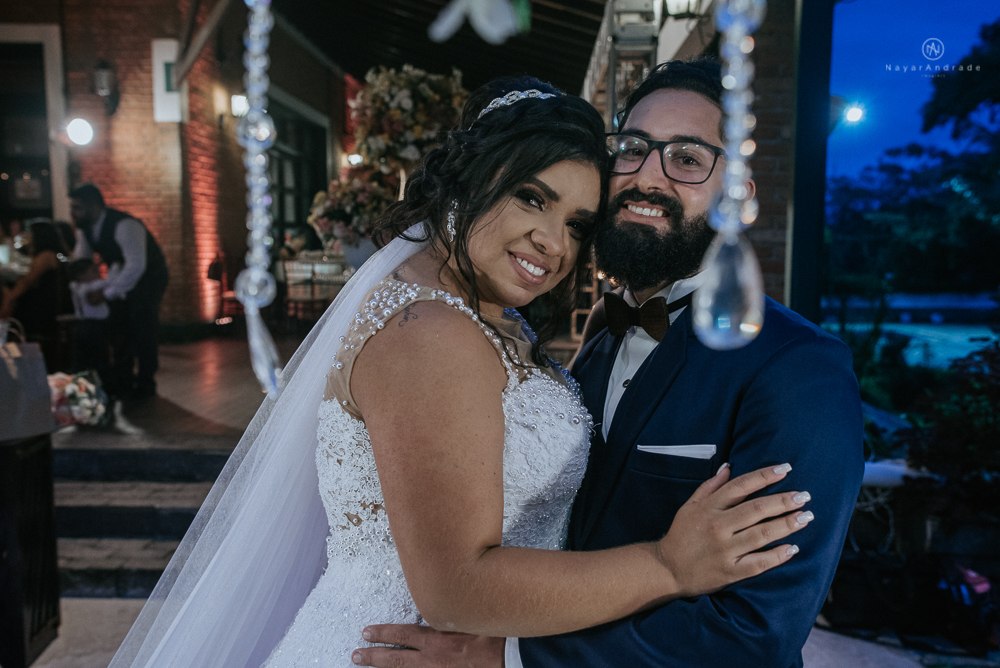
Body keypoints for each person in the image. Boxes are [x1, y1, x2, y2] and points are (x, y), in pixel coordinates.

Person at [108, 76, 812, 668]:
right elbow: (454, 587)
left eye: (577, 224)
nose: (552, 242)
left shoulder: (479, 314)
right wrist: (667, 565)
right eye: (532, 197)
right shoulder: (429, 331)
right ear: (471, 181)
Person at [353, 59, 864, 668]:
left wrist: (512, 656)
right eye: (634, 149)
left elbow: (755, 631)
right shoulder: (602, 336)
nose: (648, 176)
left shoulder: (799, 368)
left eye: (687, 158)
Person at [69, 183, 169, 399]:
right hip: (121, 276)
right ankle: (123, 380)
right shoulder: (86, 228)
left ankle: (146, 383)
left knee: (142, 323)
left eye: (78, 208)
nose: (73, 213)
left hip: (149, 277)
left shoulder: (125, 225)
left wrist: (106, 293)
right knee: (120, 324)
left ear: (94, 206)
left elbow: (136, 265)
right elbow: (83, 259)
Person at [0, 219, 71, 369]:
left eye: (29, 232)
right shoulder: (43, 255)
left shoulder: (46, 255)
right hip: (41, 311)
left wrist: (10, 297)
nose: (26, 236)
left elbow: (27, 280)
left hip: (42, 313)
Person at [67, 257, 117, 385]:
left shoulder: (74, 286)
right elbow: (108, 282)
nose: (98, 274)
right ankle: (104, 386)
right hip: (95, 327)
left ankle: (78, 385)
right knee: (100, 359)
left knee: (81, 360)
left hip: (81, 326)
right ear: (81, 276)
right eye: (94, 271)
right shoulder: (89, 287)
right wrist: (116, 267)